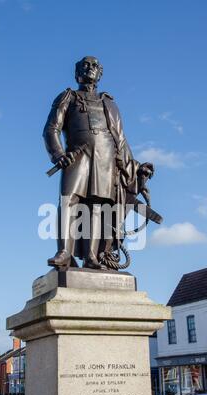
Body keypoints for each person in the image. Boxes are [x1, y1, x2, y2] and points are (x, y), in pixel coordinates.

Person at [43, 56, 134, 269]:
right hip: (78, 155)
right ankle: (65, 251)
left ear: (100, 73)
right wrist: (58, 153)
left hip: (105, 157)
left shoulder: (109, 103)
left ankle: (92, 257)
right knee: (69, 199)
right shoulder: (68, 97)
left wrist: (133, 168)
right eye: (85, 65)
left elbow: (120, 139)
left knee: (96, 206)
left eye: (95, 66)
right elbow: (51, 129)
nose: (90, 68)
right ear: (76, 74)